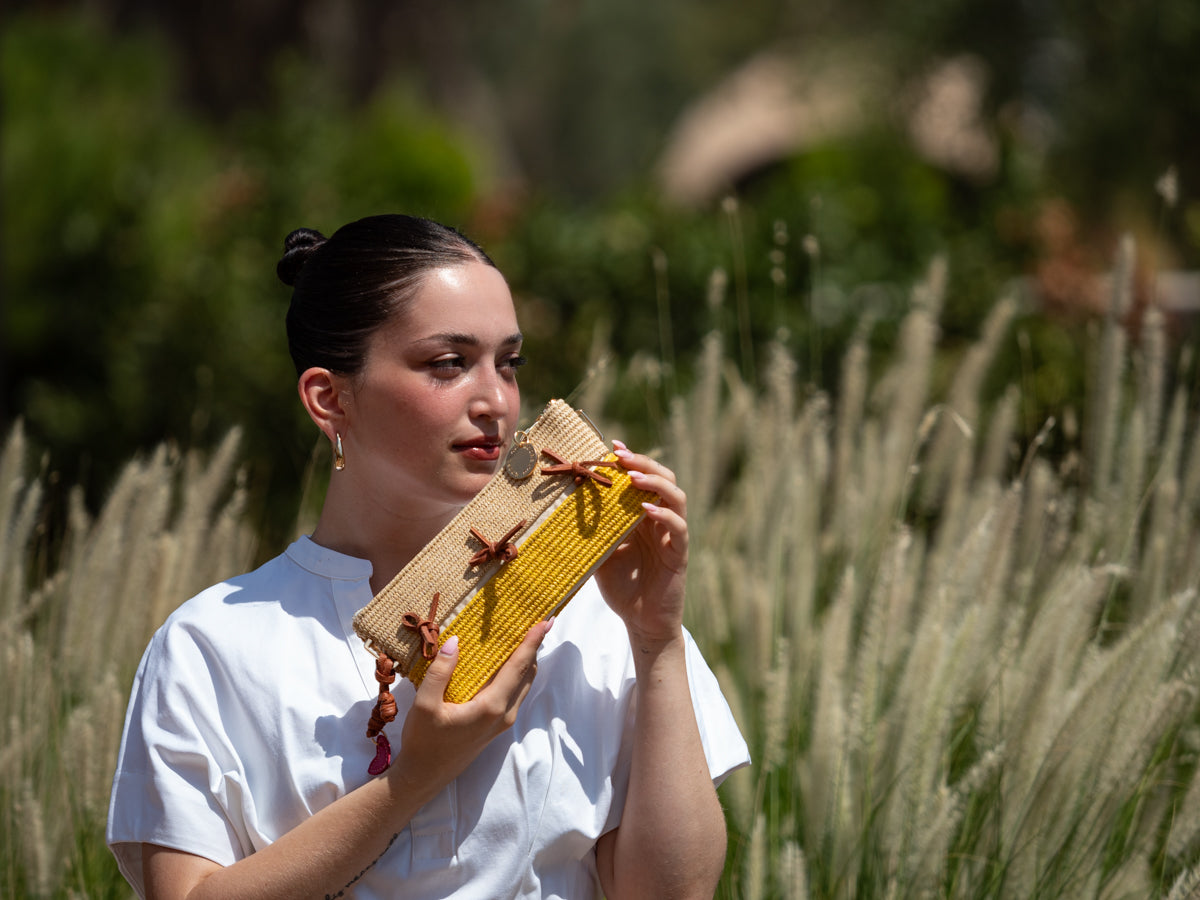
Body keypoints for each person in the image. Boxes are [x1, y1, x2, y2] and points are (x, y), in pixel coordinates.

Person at [106, 213, 749, 899]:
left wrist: (658, 645)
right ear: (330, 398)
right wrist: (413, 778)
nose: (495, 401)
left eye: (509, 363)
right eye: (448, 364)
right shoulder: (215, 645)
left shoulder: (599, 620)